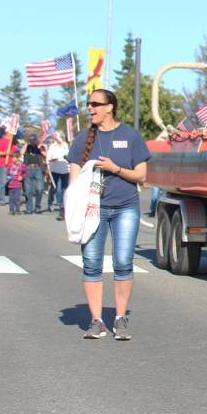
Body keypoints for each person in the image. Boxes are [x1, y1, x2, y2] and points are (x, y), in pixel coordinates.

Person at [69, 89, 151, 341]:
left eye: (96, 104)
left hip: (125, 207)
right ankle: (96, 321)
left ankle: (120, 318)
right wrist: (76, 207)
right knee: (92, 264)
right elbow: (73, 179)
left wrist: (115, 169)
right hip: (94, 210)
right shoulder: (83, 139)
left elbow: (142, 175)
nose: (90, 108)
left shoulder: (130, 136)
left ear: (110, 107)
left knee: (123, 262)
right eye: (89, 104)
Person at [46, 132, 71, 220]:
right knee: (55, 188)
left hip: (65, 170)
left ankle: (62, 208)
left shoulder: (66, 146)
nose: (57, 138)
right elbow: (48, 158)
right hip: (55, 170)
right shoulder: (52, 146)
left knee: (64, 190)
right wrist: (52, 160)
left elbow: (69, 155)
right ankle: (50, 203)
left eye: (59, 137)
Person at [22, 133, 46, 214]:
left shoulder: (39, 147)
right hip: (28, 168)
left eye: (33, 140)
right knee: (28, 190)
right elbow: (21, 153)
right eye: (31, 140)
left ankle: (38, 207)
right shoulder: (26, 147)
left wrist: (40, 145)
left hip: (38, 168)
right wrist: (26, 144)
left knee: (40, 189)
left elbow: (45, 154)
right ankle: (29, 209)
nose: (32, 142)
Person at [0, 127, 14, 205]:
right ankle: (1, 199)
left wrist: (12, 154)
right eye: (11, 132)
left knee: (13, 182)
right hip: (3, 164)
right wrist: (6, 153)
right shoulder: (0, 141)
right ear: (7, 132)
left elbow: (15, 153)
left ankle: (14, 198)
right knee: (3, 182)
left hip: (12, 165)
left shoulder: (13, 142)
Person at [6, 147, 26, 216]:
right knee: (11, 198)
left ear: (18, 158)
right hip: (11, 185)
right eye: (12, 157)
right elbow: (7, 173)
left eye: (14, 157)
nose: (12, 159)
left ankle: (17, 210)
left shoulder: (22, 166)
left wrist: (22, 177)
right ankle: (11, 210)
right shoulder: (10, 165)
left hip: (18, 185)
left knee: (17, 198)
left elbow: (26, 173)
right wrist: (8, 177)